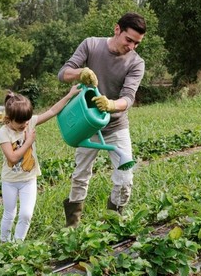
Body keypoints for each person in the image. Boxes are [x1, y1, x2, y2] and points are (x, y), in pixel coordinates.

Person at [58, 12, 147, 227]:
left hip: (116, 125)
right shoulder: (91, 45)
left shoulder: (136, 63)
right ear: (117, 30)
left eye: (137, 43)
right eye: (129, 40)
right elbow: (63, 73)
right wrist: (82, 73)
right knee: (80, 174)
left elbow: (128, 98)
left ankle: (113, 223)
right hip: (87, 123)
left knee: (125, 178)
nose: (132, 46)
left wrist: (110, 105)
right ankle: (73, 226)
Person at [0, 85, 80, 242]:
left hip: (29, 179)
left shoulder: (30, 122)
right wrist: (28, 142)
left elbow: (52, 111)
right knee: (10, 213)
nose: (25, 125)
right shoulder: (3, 133)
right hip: (10, 181)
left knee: (26, 214)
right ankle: (4, 242)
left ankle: (17, 243)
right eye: (20, 122)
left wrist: (69, 95)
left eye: (27, 121)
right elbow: (13, 158)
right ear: (9, 119)